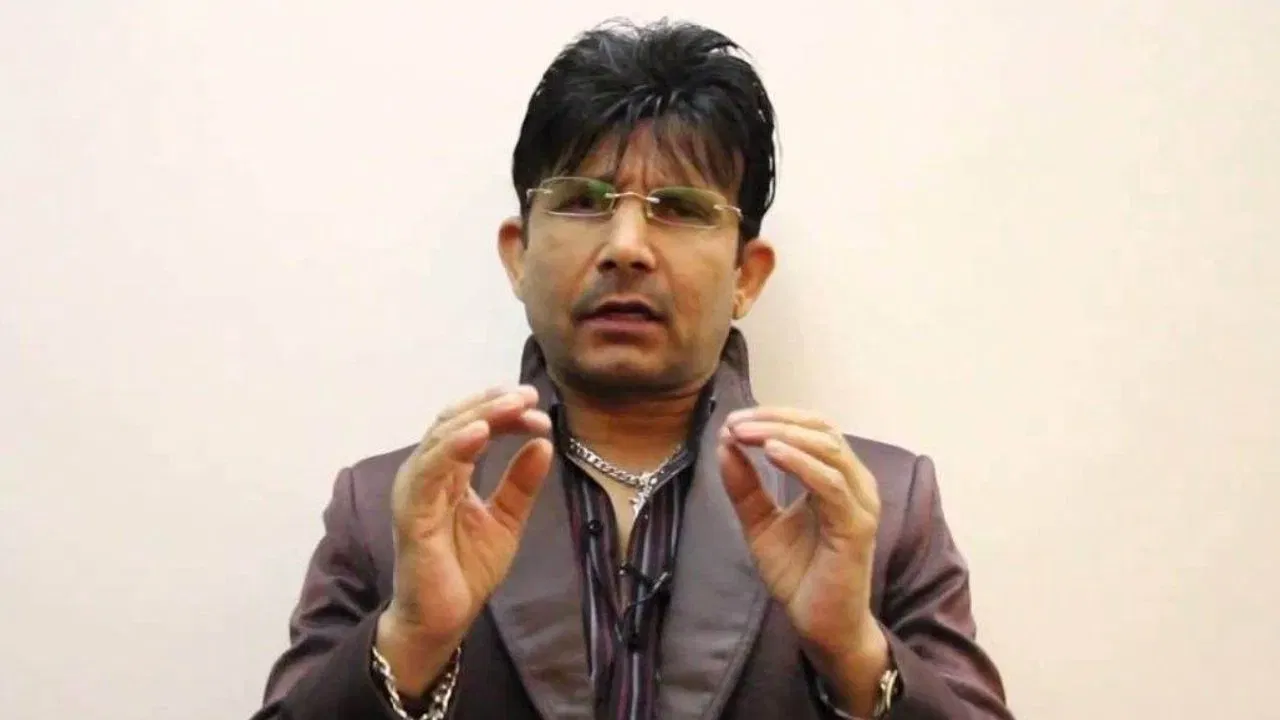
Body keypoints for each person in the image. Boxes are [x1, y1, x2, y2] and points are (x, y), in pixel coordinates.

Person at [250, 18, 1013, 720]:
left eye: (679, 208)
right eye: (583, 200)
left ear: (746, 276)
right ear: (518, 255)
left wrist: (854, 653)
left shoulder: (875, 512)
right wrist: (410, 639)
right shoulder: (389, 514)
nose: (625, 246)